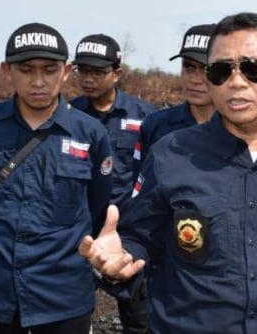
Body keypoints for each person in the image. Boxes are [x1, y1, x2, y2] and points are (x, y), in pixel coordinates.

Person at [79, 12, 257, 333]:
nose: (237, 82)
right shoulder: (170, 155)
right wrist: (121, 260)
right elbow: (139, 238)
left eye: (253, 69)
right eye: (222, 71)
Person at [0, 22, 112, 333]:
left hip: (62, 295)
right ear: (6, 70)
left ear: (66, 71)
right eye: (26, 70)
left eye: (49, 69)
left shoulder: (90, 133)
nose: (38, 81)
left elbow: (96, 205)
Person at [69, 33, 155, 334]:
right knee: (73, 311)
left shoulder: (144, 117)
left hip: (129, 231)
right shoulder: (69, 115)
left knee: (138, 316)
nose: (88, 78)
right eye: (83, 71)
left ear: (117, 73)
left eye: (97, 71)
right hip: (80, 230)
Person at [133, 23, 215, 176]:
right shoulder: (155, 126)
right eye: (189, 66)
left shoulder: (241, 129)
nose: (195, 79)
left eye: (206, 69)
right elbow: (141, 190)